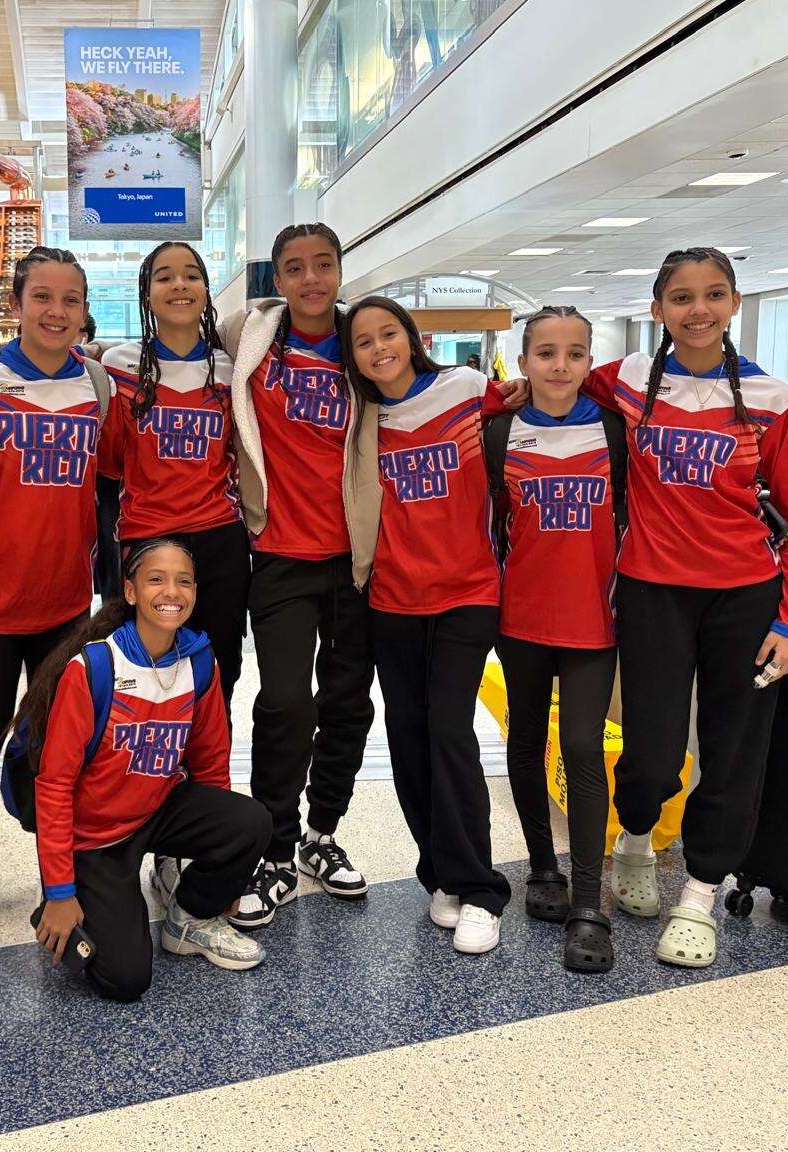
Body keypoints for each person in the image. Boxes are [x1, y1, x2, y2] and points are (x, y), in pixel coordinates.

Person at [586, 247, 788, 968]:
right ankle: (633, 840)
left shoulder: (773, 398)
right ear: (657, 310)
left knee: (732, 752)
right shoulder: (623, 381)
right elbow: (552, 380)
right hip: (653, 590)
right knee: (653, 750)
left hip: (745, 599)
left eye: (714, 295)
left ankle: (700, 894)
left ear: (736, 304)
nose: (698, 310)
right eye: (681, 297)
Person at [0, 247, 109, 937]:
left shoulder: (97, 388)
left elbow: (114, 487)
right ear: (16, 303)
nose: (56, 311)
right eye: (42, 296)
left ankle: (59, 878)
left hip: (65, 605)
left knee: (56, 747)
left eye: (69, 298)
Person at [342, 295, 511, 955]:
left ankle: (481, 890)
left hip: (468, 592)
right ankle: (437, 873)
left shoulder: (466, 390)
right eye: (363, 341)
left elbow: (527, 414)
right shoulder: (363, 420)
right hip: (393, 600)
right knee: (408, 738)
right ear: (352, 357)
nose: (379, 348)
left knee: (449, 731)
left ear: (412, 337)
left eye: (389, 333)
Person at [30, 539, 270, 1001]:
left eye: (183, 581)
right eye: (156, 579)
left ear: (195, 594)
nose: (171, 591)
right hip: (96, 837)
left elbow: (211, 765)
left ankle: (189, 919)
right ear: (132, 591)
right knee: (126, 980)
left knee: (251, 819)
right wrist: (61, 892)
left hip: (155, 809)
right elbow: (55, 785)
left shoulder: (200, 662)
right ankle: (66, 899)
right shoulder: (95, 667)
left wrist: (222, 877)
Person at [221, 223, 376, 929]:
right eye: (295, 268)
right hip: (280, 553)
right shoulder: (249, 337)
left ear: (340, 270)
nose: (311, 279)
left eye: (323, 264)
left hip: (358, 558)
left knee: (346, 700)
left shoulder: (364, 342)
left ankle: (322, 834)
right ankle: (274, 845)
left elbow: (426, 390)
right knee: (285, 701)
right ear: (276, 279)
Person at [489, 306, 623, 973]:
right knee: (524, 736)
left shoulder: (614, 431)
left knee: (581, 745)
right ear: (524, 361)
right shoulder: (501, 433)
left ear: (590, 361)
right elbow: (487, 527)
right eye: (546, 353)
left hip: (594, 621)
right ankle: (543, 866)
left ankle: (591, 904)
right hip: (521, 618)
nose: (560, 365)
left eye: (574, 353)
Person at [100, 241, 247, 711]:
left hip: (221, 541)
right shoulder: (118, 368)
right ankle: (149, 779)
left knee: (218, 670)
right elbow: (111, 462)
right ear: (146, 294)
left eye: (191, 275)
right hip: (147, 538)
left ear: (207, 290)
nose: (179, 285)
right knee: (146, 672)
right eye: (164, 277)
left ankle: (208, 777)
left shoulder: (232, 371)